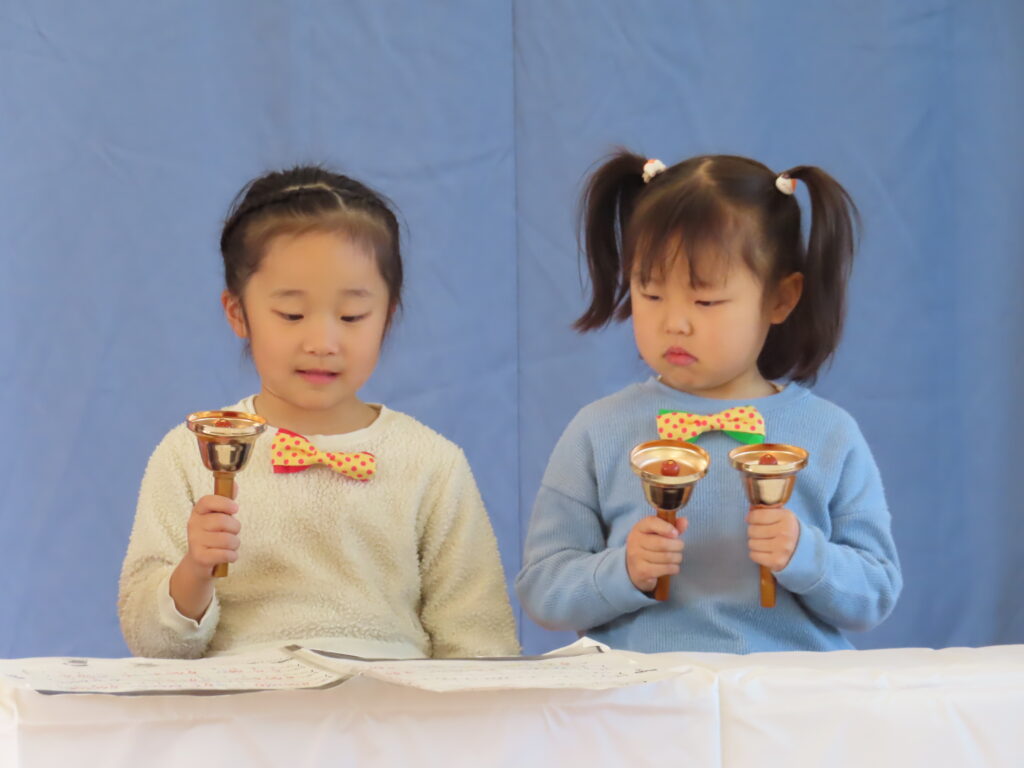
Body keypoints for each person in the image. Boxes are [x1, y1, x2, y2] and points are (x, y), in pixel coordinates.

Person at [119, 165, 518, 659]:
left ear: (388, 315)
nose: (323, 342)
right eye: (291, 314)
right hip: (244, 702)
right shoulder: (192, 453)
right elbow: (151, 644)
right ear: (237, 313)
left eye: (352, 316)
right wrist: (194, 572)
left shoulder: (432, 463)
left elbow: (480, 641)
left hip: (389, 703)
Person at [516, 151, 901, 653]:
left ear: (781, 298)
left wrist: (805, 555)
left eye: (706, 301)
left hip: (789, 692)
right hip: (643, 691)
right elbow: (542, 589)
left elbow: (876, 593)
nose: (675, 322)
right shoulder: (598, 430)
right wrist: (622, 570)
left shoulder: (830, 434)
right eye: (650, 293)